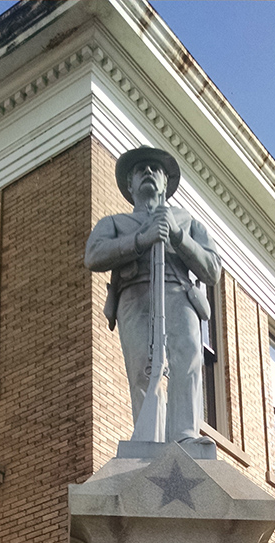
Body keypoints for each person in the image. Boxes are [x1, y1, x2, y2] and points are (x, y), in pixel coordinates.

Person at [85, 147, 221, 442]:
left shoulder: (187, 222)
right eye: (140, 170)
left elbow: (212, 270)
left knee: (186, 358)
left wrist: (178, 236)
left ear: (165, 184)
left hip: (178, 293)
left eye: (155, 169)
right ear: (130, 185)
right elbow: (94, 255)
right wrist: (140, 240)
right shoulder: (115, 223)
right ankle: (150, 439)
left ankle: (184, 433)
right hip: (136, 297)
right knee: (144, 368)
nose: (148, 172)